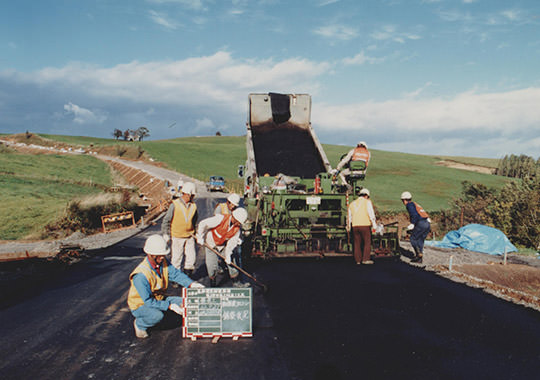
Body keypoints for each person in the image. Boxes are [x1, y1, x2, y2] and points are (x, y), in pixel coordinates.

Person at [127, 234, 204, 339]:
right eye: (159, 255)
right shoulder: (140, 275)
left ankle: (162, 312)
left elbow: (175, 274)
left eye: (163, 254)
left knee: (184, 302)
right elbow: (148, 301)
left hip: (158, 298)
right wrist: (169, 306)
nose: (162, 257)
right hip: (141, 305)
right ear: (150, 254)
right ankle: (140, 324)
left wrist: (191, 284)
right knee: (157, 316)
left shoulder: (162, 262)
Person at [196, 208, 250, 288]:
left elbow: (231, 244)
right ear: (235, 218)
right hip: (211, 243)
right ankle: (213, 285)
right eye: (239, 222)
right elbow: (203, 223)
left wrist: (228, 255)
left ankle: (236, 282)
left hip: (222, 244)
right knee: (211, 265)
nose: (239, 224)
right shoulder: (220, 219)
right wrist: (200, 236)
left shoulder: (237, 229)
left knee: (232, 261)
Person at [161, 182, 198, 276]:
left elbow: (194, 221)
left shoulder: (193, 206)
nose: (193, 197)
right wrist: (166, 233)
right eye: (192, 195)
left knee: (191, 258)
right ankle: (175, 278)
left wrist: (197, 233)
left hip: (189, 236)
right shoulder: (174, 204)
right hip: (177, 236)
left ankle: (187, 276)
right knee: (177, 258)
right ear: (187, 194)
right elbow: (166, 220)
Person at [348, 188, 377, 265]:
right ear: (366, 195)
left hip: (355, 226)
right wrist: (374, 225)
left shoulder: (352, 204)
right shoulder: (367, 202)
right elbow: (371, 214)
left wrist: (349, 227)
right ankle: (365, 259)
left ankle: (358, 260)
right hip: (365, 225)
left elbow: (349, 217)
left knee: (357, 243)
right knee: (367, 242)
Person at [401, 191, 431, 263]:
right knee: (420, 240)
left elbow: (414, 215)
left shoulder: (409, 205)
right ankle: (419, 259)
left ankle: (418, 254)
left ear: (404, 200)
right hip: (427, 223)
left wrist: (412, 224)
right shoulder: (415, 204)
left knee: (413, 238)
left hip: (421, 223)